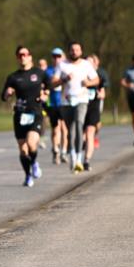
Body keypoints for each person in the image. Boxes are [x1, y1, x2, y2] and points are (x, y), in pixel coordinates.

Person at [1, 46, 50, 187]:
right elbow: (3, 96)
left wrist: (45, 93)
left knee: (31, 143)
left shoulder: (39, 73)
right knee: (23, 150)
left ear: (30, 56)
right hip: (20, 115)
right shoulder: (13, 77)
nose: (23, 57)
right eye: (20, 55)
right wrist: (8, 93)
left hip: (35, 112)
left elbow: (50, 85)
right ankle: (28, 176)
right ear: (17, 58)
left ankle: (34, 162)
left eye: (25, 54)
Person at [50, 41, 99, 174]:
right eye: (72, 50)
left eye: (77, 50)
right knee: (70, 130)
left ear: (81, 52)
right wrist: (63, 79)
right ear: (69, 51)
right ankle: (72, 156)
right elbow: (53, 83)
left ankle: (78, 159)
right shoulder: (62, 65)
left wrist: (88, 83)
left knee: (79, 124)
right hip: (66, 102)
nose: (74, 52)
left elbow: (96, 80)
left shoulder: (86, 64)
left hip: (82, 100)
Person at [81, 53, 109, 170]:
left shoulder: (98, 78)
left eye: (90, 62)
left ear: (94, 64)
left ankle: (86, 160)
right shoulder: (80, 76)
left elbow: (103, 93)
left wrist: (100, 94)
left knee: (90, 132)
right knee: (80, 134)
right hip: (80, 107)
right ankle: (79, 151)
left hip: (93, 107)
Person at [45, 49, 68, 164]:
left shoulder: (66, 69)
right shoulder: (48, 71)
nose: (56, 59)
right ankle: (55, 149)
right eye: (54, 56)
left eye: (59, 56)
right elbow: (50, 83)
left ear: (63, 57)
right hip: (53, 103)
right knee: (55, 128)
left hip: (64, 102)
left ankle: (63, 151)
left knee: (64, 128)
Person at [36, 57, 49, 151]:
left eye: (43, 65)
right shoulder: (35, 75)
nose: (41, 67)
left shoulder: (49, 75)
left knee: (45, 121)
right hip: (37, 102)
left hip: (48, 103)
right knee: (39, 119)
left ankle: (41, 137)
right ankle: (38, 138)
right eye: (39, 65)